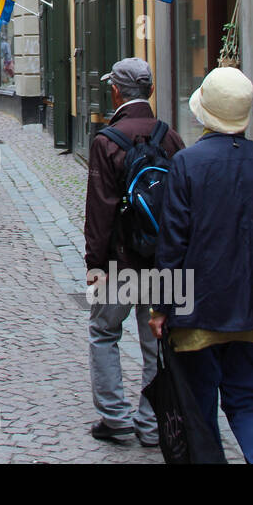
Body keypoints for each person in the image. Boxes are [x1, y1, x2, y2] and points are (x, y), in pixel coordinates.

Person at [149, 67, 253, 464]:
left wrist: (161, 308)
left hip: (203, 309)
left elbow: (173, 244)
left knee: (199, 405)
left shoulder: (187, 164)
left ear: (204, 112)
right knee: (248, 394)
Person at [83, 57, 184, 448]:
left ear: (115, 91)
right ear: (151, 91)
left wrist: (95, 264)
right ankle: (150, 422)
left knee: (104, 332)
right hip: (164, 262)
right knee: (155, 342)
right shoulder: (170, 136)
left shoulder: (107, 141)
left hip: (121, 261)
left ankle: (114, 417)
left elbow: (100, 210)